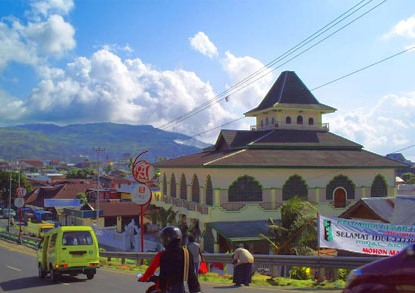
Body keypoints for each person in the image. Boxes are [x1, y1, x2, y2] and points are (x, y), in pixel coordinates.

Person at [158, 226, 201, 293]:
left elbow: (163, 276)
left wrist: (160, 288)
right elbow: (191, 270)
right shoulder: (186, 252)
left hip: (177, 289)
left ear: (167, 239)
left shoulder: (166, 255)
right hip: (194, 287)